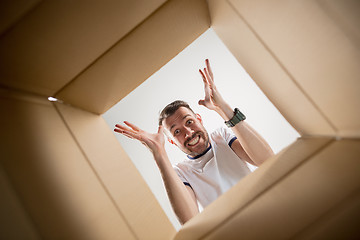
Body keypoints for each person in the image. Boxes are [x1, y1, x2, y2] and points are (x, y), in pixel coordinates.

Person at [114, 59, 274, 224]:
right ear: (171, 142)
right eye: (177, 132)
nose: (188, 133)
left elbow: (267, 160)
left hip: (267, 214)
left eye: (189, 122)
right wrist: (158, 153)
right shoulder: (181, 172)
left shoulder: (222, 137)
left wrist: (223, 107)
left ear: (199, 119)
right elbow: (189, 220)